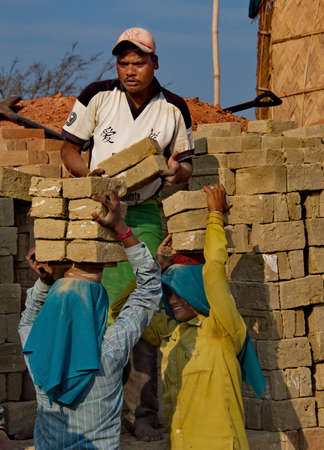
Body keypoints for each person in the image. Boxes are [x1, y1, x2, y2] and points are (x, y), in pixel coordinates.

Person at [60, 26, 194, 441]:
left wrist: (175, 172)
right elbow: (69, 149)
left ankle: (143, 413)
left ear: (155, 63)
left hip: (145, 213)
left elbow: (185, 167)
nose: (130, 70)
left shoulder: (173, 108)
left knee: (144, 305)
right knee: (98, 302)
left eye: (138, 62)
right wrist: (90, 176)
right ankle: (100, 408)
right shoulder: (97, 95)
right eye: (123, 62)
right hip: (100, 208)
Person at [112, 184, 266, 449]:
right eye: (168, 293)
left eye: (179, 292)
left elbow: (215, 272)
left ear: (197, 290)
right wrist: (155, 267)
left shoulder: (223, 328)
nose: (172, 300)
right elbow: (120, 312)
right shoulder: (169, 332)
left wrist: (214, 217)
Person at [18, 191, 162, 450]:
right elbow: (149, 290)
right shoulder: (109, 351)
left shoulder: (36, 354)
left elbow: (28, 319)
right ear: (97, 308)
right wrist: (122, 229)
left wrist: (45, 281)